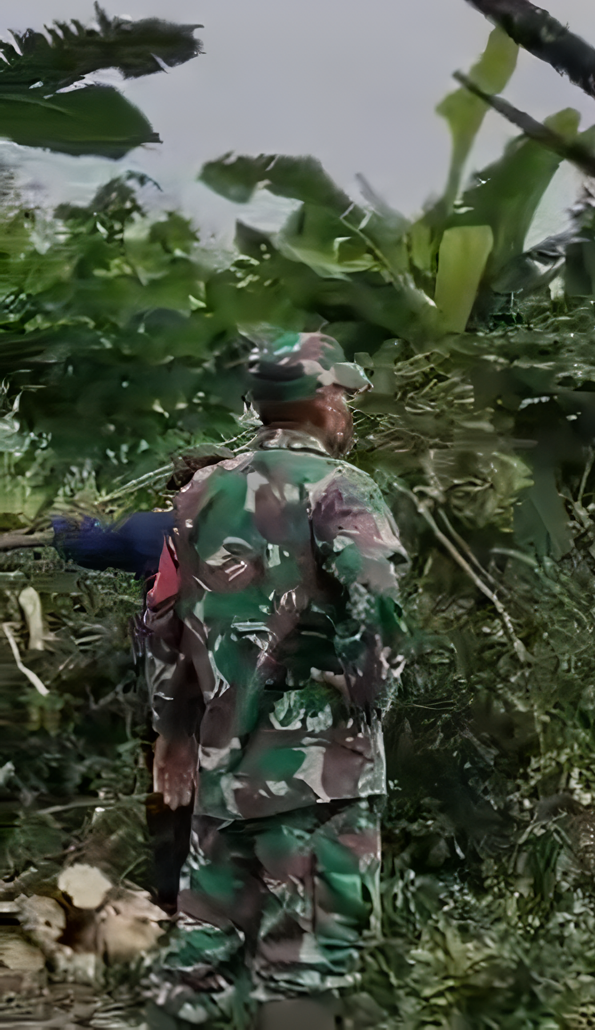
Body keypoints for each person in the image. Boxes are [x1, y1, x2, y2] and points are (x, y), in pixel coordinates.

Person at [145, 332, 407, 1030]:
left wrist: (173, 730)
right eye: (345, 394)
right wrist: (366, 697)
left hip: (222, 770)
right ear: (323, 401)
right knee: (305, 961)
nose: (350, 408)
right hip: (319, 777)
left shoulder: (201, 491)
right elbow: (377, 601)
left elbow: (165, 615)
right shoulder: (342, 489)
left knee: (199, 963)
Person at [48, 447, 238, 909]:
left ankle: (172, 897)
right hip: (245, 685)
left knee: (170, 783)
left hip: (172, 687)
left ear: (177, 488)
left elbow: (80, 544)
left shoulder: (154, 528)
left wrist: (72, 515)